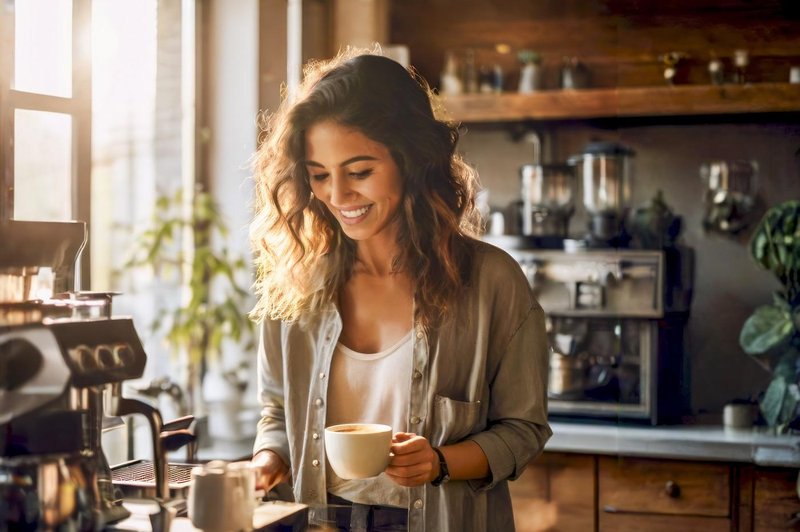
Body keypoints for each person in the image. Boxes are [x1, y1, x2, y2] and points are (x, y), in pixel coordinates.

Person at [248, 48, 551, 531]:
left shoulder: (492, 281)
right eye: (319, 175)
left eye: (360, 171)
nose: (338, 196)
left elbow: (524, 429)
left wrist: (442, 462)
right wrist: (269, 458)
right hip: (321, 519)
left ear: (411, 161)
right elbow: (278, 410)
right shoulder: (298, 280)